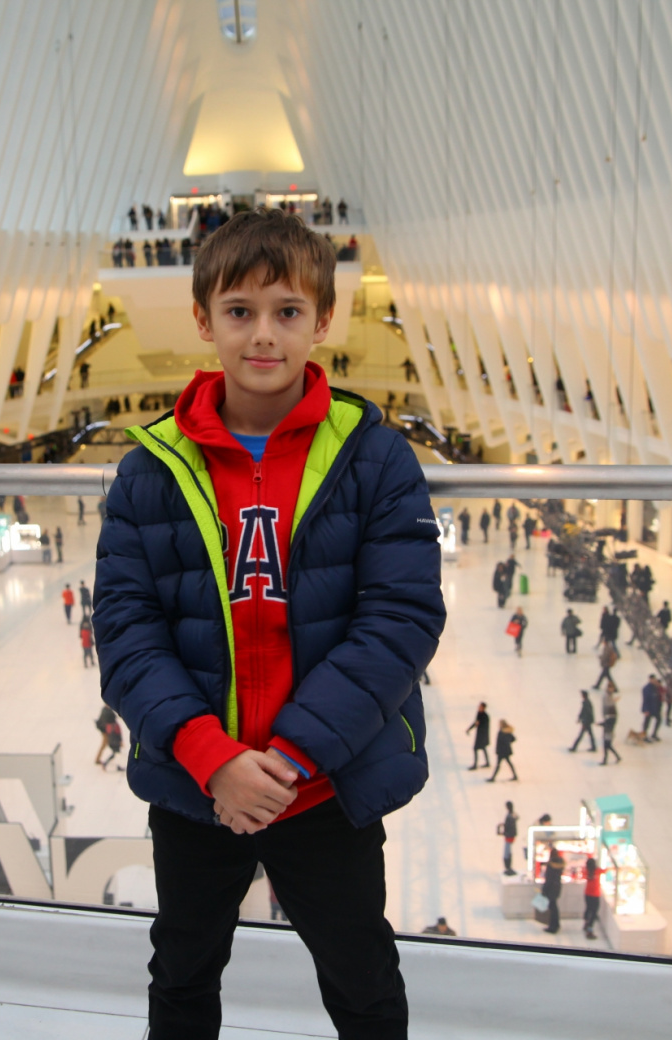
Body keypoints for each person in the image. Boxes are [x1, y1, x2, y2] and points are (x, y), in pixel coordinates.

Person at [90, 208, 444, 1039]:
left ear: (324, 319)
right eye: (240, 312)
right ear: (203, 320)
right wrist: (214, 760)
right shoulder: (152, 468)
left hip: (323, 783)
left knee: (361, 974)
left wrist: (286, 762)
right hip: (197, 783)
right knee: (182, 968)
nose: (263, 336)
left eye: (287, 312)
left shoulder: (372, 455)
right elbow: (127, 626)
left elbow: (400, 617)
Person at [541, 851, 565, 934]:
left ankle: (553, 926)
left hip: (551, 889)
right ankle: (556, 924)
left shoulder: (550, 866)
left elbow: (549, 879)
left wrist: (544, 890)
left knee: (552, 908)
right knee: (554, 907)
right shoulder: (560, 865)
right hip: (557, 888)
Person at [582, 856, 605, 940]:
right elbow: (605, 870)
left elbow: (583, 875)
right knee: (594, 912)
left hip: (587, 894)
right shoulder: (597, 871)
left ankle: (586, 923)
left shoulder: (586, 871)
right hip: (595, 895)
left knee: (588, 909)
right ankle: (590, 929)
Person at [467, 702, 491, 769]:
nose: (478, 707)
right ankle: (487, 763)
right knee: (483, 748)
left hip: (482, 736)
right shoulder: (479, 714)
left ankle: (475, 765)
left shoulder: (485, 716)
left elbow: (483, 726)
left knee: (475, 749)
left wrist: (478, 724)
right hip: (479, 735)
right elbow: (476, 722)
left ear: (483, 708)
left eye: (480, 707)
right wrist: (469, 729)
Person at [497, 801, 519, 876]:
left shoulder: (510, 816)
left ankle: (508, 867)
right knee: (508, 852)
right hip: (510, 836)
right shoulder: (512, 814)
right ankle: (508, 867)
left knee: (507, 852)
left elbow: (509, 827)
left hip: (509, 836)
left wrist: (504, 832)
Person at [600, 697, 622, 766]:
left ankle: (605, 760)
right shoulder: (613, 718)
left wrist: (602, 724)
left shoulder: (610, 719)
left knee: (606, 747)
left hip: (608, 733)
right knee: (608, 746)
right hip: (610, 733)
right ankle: (617, 757)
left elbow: (607, 724)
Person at [641, 676, 663, 742]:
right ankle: (644, 736)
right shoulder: (647, 688)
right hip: (649, 708)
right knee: (647, 722)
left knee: (658, 720)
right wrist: (645, 709)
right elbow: (645, 700)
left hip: (655, 708)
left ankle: (654, 734)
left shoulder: (655, 687)